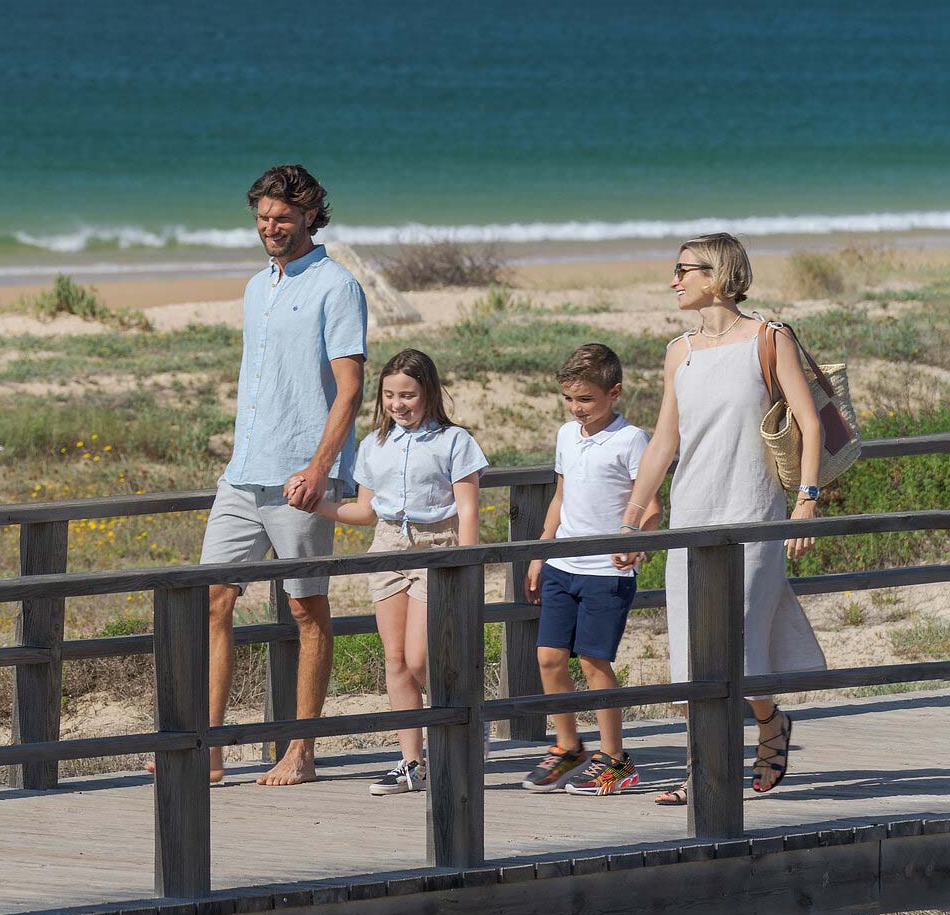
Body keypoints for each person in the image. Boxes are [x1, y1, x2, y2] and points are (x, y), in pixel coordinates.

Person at [617, 233, 825, 807]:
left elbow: (809, 422)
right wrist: (634, 519)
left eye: (684, 269)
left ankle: (769, 723)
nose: (674, 280)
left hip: (754, 513)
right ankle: (704, 768)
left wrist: (806, 500)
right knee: (689, 655)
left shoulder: (768, 338)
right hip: (692, 515)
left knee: (741, 646)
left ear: (718, 274)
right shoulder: (677, 351)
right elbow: (664, 440)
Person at [201, 164, 366, 785]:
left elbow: (349, 390)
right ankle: (210, 747)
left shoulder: (337, 287)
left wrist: (321, 468)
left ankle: (302, 749)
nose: (271, 227)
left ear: (309, 217)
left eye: (283, 218)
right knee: (212, 601)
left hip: (302, 478)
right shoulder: (254, 286)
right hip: (242, 474)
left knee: (306, 609)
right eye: (263, 218)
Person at [313, 348, 486, 795]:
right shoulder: (374, 445)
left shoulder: (455, 441)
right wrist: (319, 505)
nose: (397, 404)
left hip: (438, 547)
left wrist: (466, 565)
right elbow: (366, 512)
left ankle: (465, 715)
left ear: (427, 392)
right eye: (390, 395)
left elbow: (468, 512)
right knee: (394, 661)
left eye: (407, 395)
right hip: (388, 546)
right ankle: (411, 763)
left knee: (419, 658)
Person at [522, 343, 653, 796]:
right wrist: (541, 551)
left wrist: (634, 544)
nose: (577, 410)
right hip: (562, 563)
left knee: (595, 661)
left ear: (614, 393)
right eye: (569, 400)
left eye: (586, 400)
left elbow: (651, 504)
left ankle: (615, 758)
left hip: (607, 572)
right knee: (548, 658)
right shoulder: (565, 435)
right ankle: (568, 746)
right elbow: (561, 496)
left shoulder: (633, 439)